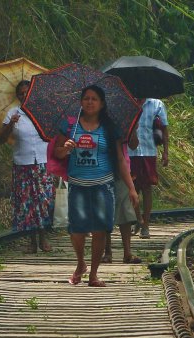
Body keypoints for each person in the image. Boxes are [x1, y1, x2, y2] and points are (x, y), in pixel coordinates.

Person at [53, 85, 138, 287]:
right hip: (77, 185)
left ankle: (93, 274)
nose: (90, 102)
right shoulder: (69, 126)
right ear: (81, 102)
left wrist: (132, 188)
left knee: (100, 229)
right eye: (86, 98)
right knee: (77, 230)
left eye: (94, 99)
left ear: (101, 104)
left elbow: (119, 159)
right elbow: (57, 153)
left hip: (103, 185)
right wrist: (65, 149)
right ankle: (81, 263)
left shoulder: (109, 128)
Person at [0, 80, 54, 253]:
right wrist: (11, 124)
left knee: (44, 201)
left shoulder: (44, 113)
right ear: (17, 96)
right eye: (20, 93)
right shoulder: (12, 114)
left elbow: (53, 136)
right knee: (27, 203)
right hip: (23, 164)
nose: (24, 95)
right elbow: (1, 140)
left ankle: (44, 238)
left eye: (26, 92)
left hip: (43, 163)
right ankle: (31, 241)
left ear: (33, 93)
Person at [128, 98, 169, 239]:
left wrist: (165, 152)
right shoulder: (127, 101)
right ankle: (138, 219)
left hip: (149, 151)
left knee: (146, 187)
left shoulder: (157, 104)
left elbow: (164, 128)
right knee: (133, 187)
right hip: (130, 152)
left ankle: (146, 225)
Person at [102, 131, 142, 264]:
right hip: (100, 169)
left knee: (125, 209)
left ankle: (127, 252)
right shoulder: (95, 123)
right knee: (104, 210)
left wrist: (133, 130)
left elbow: (134, 145)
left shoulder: (124, 122)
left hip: (122, 170)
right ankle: (107, 251)